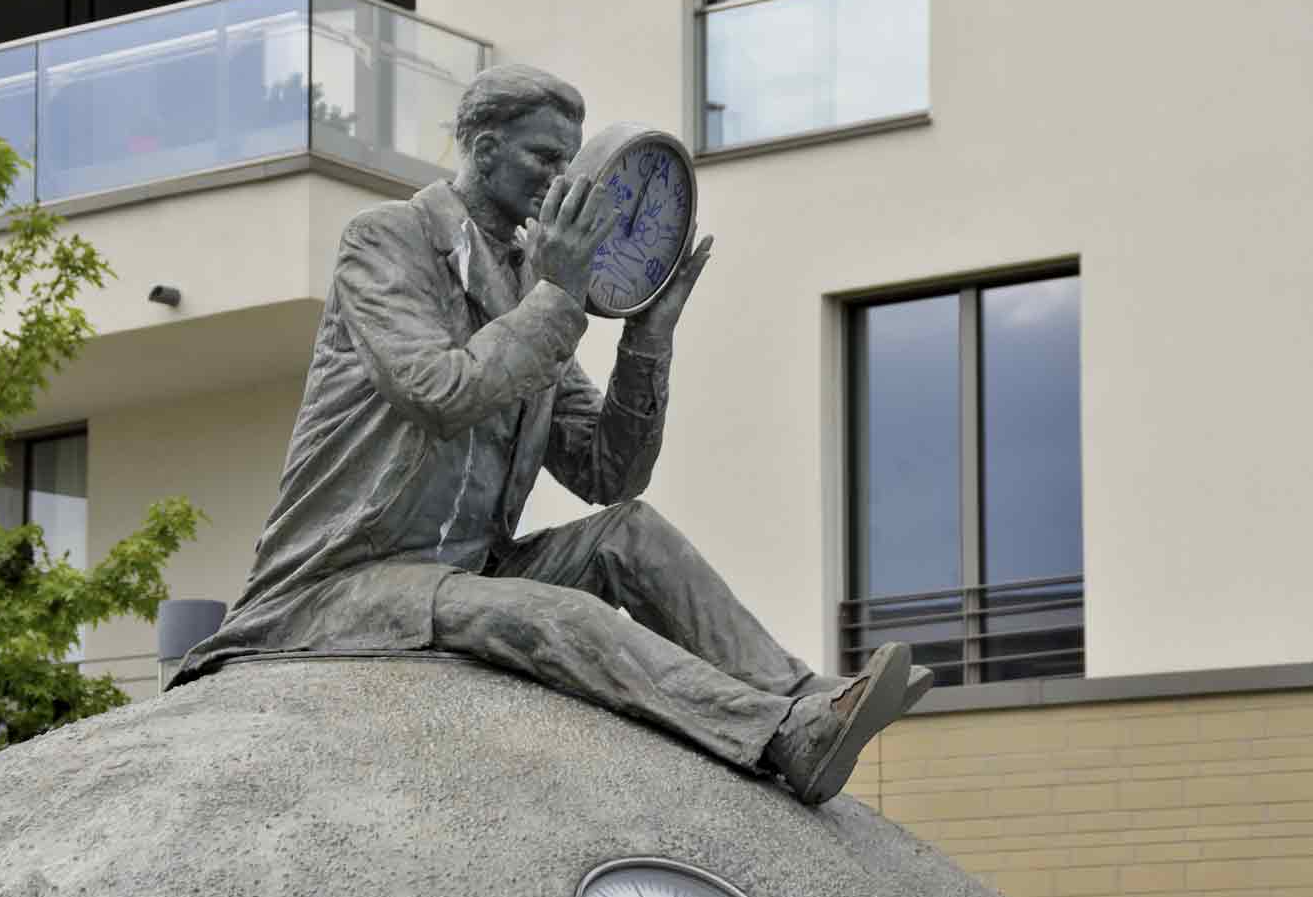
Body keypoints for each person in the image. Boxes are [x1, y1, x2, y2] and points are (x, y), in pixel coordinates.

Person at [168, 64, 930, 806]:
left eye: (572, 160)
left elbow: (608, 474)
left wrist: (647, 341)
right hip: (341, 584)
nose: (564, 179)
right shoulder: (387, 243)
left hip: (464, 575)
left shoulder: (532, 290)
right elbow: (439, 391)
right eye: (545, 157)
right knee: (556, 617)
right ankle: (774, 736)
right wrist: (559, 297)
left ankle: (807, 697)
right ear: (484, 148)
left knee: (629, 534)